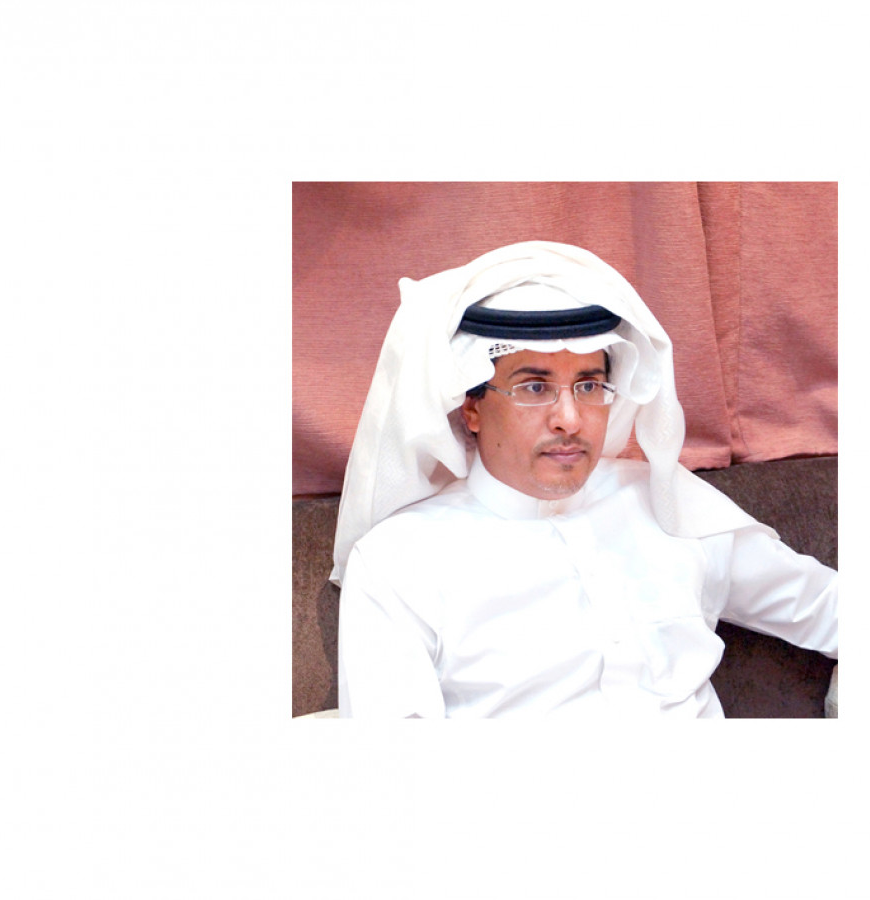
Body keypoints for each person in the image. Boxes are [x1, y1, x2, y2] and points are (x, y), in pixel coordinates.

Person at [333, 241, 837, 718]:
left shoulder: (664, 501)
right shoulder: (398, 562)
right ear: (472, 409)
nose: (570, 420)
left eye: (589, 386)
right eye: (535, 387)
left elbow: (828, 607)